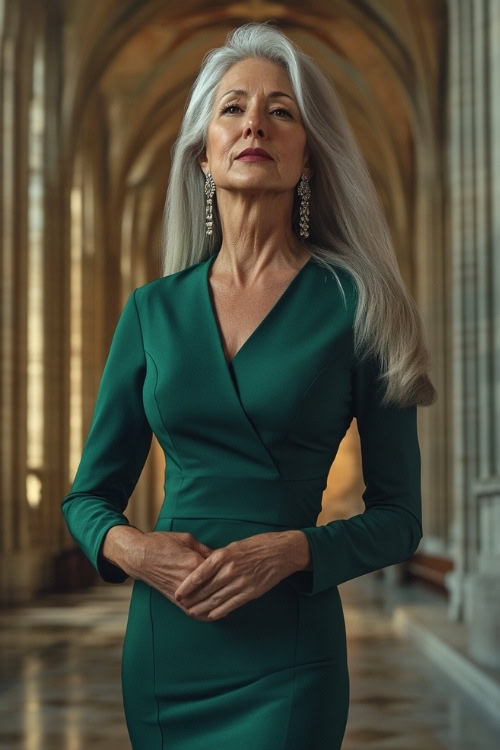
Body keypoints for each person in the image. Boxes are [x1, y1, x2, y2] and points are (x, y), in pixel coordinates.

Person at [61, 20, 436, 750]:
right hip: (167, 648)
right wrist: (137, 552)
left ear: (308, 158)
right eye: (232, 108)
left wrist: (293, 550)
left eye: (281, 110)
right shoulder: (151, 310)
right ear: (203, 153)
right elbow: (86, 499)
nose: (254, 124)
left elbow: (401, 517)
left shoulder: (358, 305)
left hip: (291, 654)